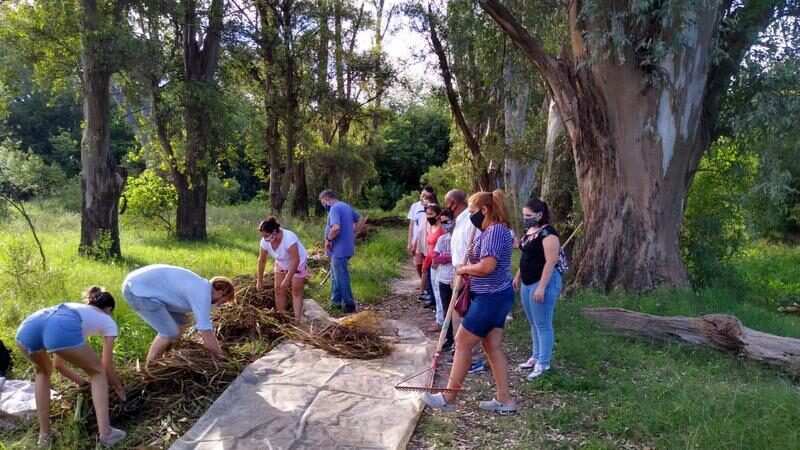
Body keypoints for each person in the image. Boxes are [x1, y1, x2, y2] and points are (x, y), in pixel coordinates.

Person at [423, 190, 517, 414]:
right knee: (492, 346)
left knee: (462, 341)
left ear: (485, 210)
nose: (471, 216)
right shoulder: (491, 231)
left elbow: (487, 267)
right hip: (495, 295)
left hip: (490, 298)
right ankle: (505, 400)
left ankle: (448, 397)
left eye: (474, 212)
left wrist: (463, 269)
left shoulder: (494, 232)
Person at [15, 287, 127, 447]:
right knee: (98, 372)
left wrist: (82, 383)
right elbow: (106, 365)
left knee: (42, 373)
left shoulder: (77, 310)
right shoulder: (108, 321)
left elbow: (58, 365)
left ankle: (44, 436)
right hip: (59, 325)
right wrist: (118, 386)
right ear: (109, 309)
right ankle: (107, 434)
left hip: (28, 328)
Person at [122, 265, 235, 366]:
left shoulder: (201, 286)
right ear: (221, 292)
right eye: (223, 301)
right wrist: (220, 356)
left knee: (182, 322)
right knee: (169, 332)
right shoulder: (203, 293)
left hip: (142, 285)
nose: (219, 304)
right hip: (137, 291)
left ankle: (168, 355)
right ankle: (150, 367)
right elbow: (205, 330)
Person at [513, 198, 562, 379]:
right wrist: (518, 276)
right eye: (524, 215)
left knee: (543, 323)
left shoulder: (549, 234)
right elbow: (527, 256)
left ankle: (544, 363)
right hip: (527, 281)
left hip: (542, 282)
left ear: (540, 215)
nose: (525, 219)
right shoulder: (530, 232)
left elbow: (551, 261)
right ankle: (535, 356)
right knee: (533, 322)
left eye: (529, 215)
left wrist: (542, 287)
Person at [445, 189, 485, 374]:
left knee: (467, 315)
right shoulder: (460, 221)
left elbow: (475, 248)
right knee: (456, 314)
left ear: (454, 202)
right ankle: (459, 354)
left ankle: (473, 359)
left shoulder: (471, 222)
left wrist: (466, 271)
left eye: (447, 203)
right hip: (458, 271)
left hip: (468, 273)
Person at [256, 217, 309, 322]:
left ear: (275, 232)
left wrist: (287, 279)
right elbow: (261, 261)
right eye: (263, 236)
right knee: (279, 289)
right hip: (281, 262)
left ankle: (297, 320)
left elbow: (295, 260)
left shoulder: (289, 238)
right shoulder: (265, 242)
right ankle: (282, 317)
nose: (264, 238)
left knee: (296, 291)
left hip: (298, 263)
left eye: (266, 235)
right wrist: (259, 280)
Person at [319, 189, 361, 314]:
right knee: (335, 276)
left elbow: (336, 228)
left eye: (322, 202)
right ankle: (335, 303)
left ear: (326, 199)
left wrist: (328, 239)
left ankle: (349, 304)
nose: (323, 206)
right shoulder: (345, 206)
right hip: (346, 248)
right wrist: (353, 232)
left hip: (339, 250)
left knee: (341, 277)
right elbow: (360, 219)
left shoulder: (334, 208)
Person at [431, 208, 455, 352]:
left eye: (447, 221)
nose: (445, 224)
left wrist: (445, 257)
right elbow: (435, 257)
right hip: (443, 278)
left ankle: (456, 341)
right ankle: (449, 337)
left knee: (457, 311)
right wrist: (447, 258)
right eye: (443, 222)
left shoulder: (458, 237)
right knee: (447, 310)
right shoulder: (442, 239)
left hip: (456, 278)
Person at [407, 186, 436, 280]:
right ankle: (424, 282)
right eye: (422, 195)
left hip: (430, 238)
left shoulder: (434, 207)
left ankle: (427, 286)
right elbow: (411, 225)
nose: (424, 198)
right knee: (418, 263)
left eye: (426, 196)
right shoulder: (415, 206)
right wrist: (410, 242)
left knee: (428, 263)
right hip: (417, 238)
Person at [423, 204, 444, 316]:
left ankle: (440, 317)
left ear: (438, 215)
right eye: (427, 214)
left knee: (438, 291)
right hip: (430, 260)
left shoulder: (442, 229)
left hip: (439, 263)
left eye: (431, 214)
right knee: (432, 289)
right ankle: (437, 314)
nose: (428, 216)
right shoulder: (431, 227)